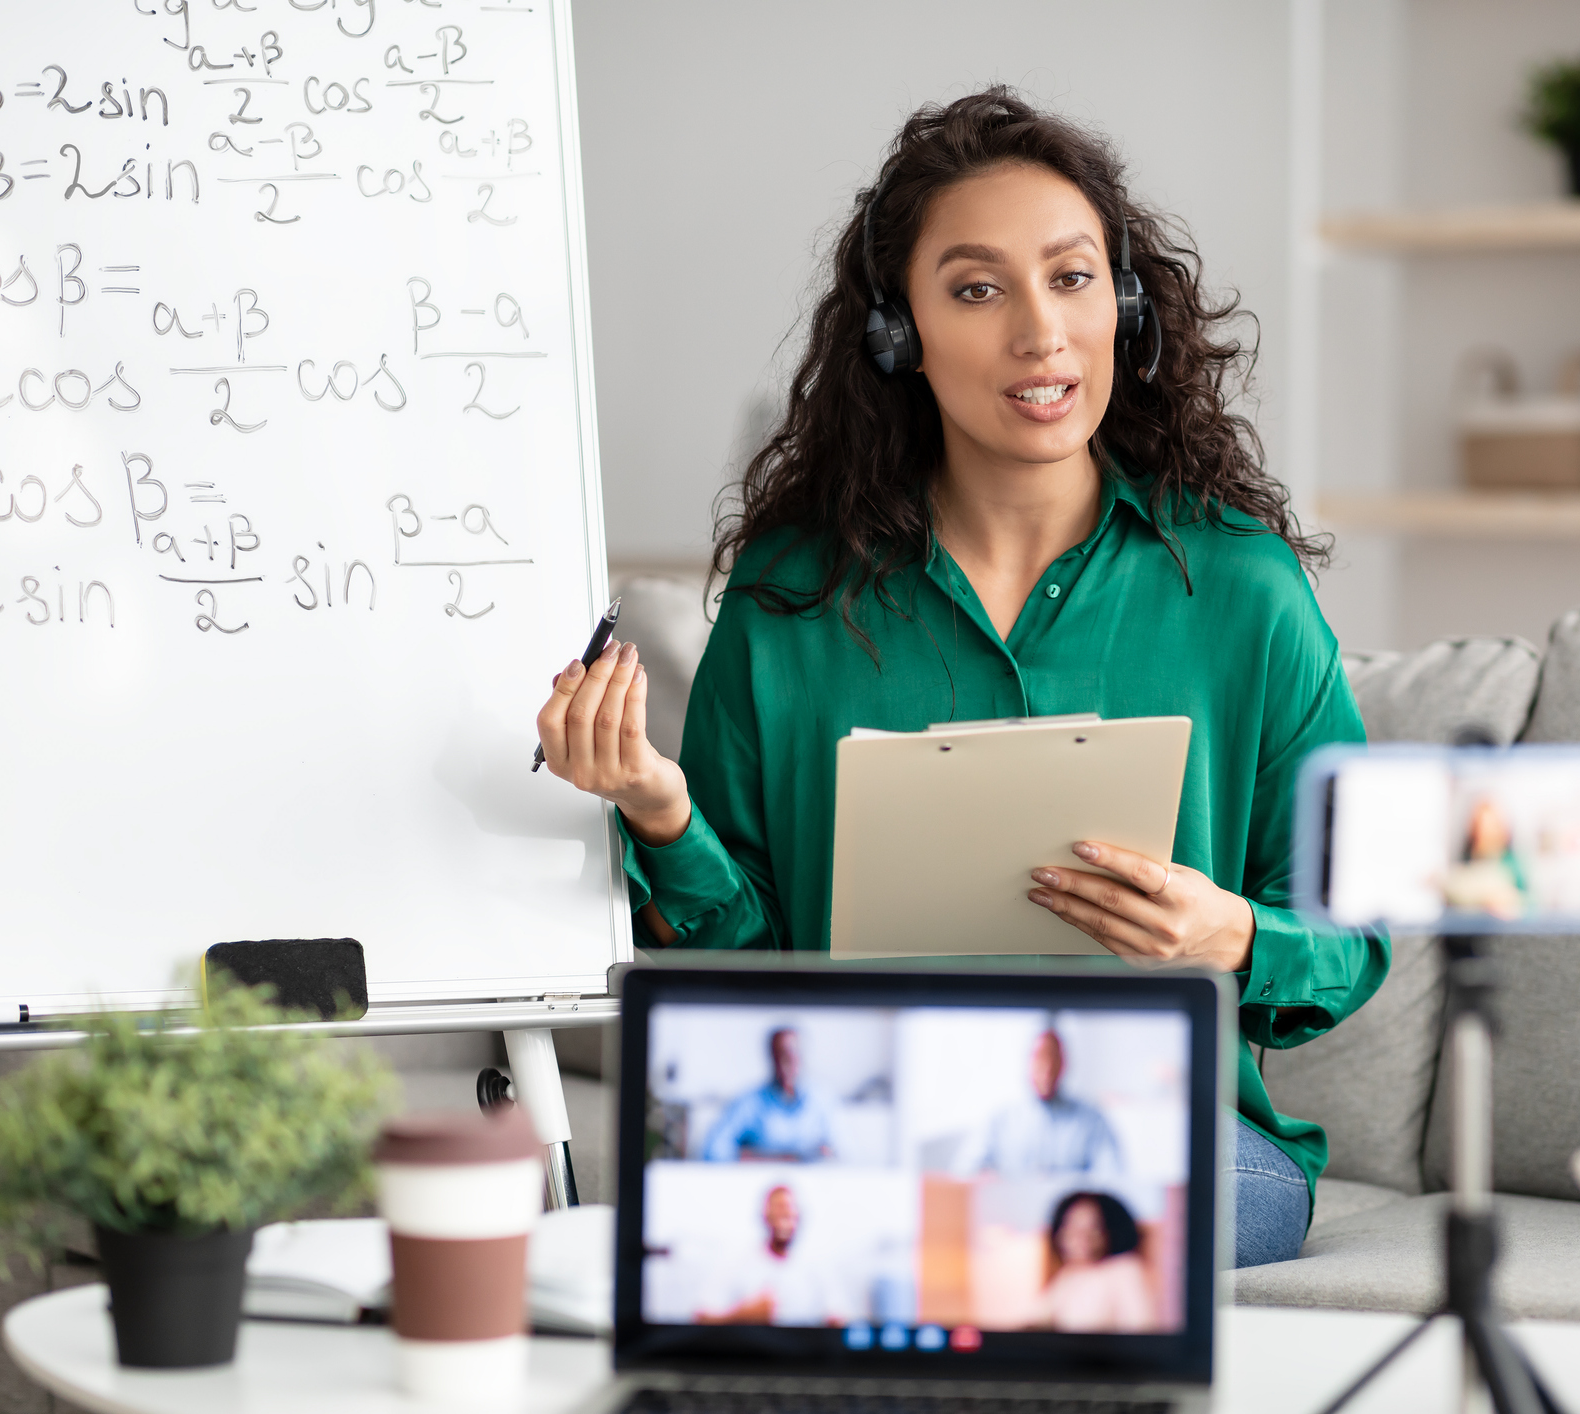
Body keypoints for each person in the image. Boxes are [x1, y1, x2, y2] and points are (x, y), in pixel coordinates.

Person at [534, 88, 1388, 1268]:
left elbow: (1357, 925)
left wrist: (1235, 934)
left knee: (1012, 1228)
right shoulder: (792, 599)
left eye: (1074, 278)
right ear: (900, 333)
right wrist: (658, 808)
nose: (1041, 333)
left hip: (1163, 1138)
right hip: (870, 1125)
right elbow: (737, 961)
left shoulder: (1241, 590)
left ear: (1125, 307)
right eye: (979, 289)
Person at [959, 1029, 1123, 1176]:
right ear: (1028, 1063)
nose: (1046, 1071)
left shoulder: (1092, 1121)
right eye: (1040, 1060)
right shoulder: (1000, 1119)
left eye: (1053, 1061)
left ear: (1064, 1065)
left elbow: (1112, 1177)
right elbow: (965, 1171)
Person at [693, 1184, 845, 1326]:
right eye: (778, 1209)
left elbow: (839, 1318)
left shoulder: (816, 1267)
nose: (785, 1215)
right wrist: (744, 1315)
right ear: (765, 1215)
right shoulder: (737, 1261)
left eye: (789, 1210)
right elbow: (701, 1317)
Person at [701, 1027, 835, 1162]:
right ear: (771, 1057)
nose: (787, 1063)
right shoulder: (749, 1102)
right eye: (781, 1054)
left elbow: (846, 1155)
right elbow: (713, 1151)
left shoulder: (822, 1100)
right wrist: (774, 1159)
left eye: (793, 1054)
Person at [1030, 1192, 1157, 1333]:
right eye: (1072, 1226)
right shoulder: (1067, 1275)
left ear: (1111, 1230)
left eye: (1093, 1227)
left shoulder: (1124, 1269)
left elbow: (1143, 1333)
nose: (1081, 1237)